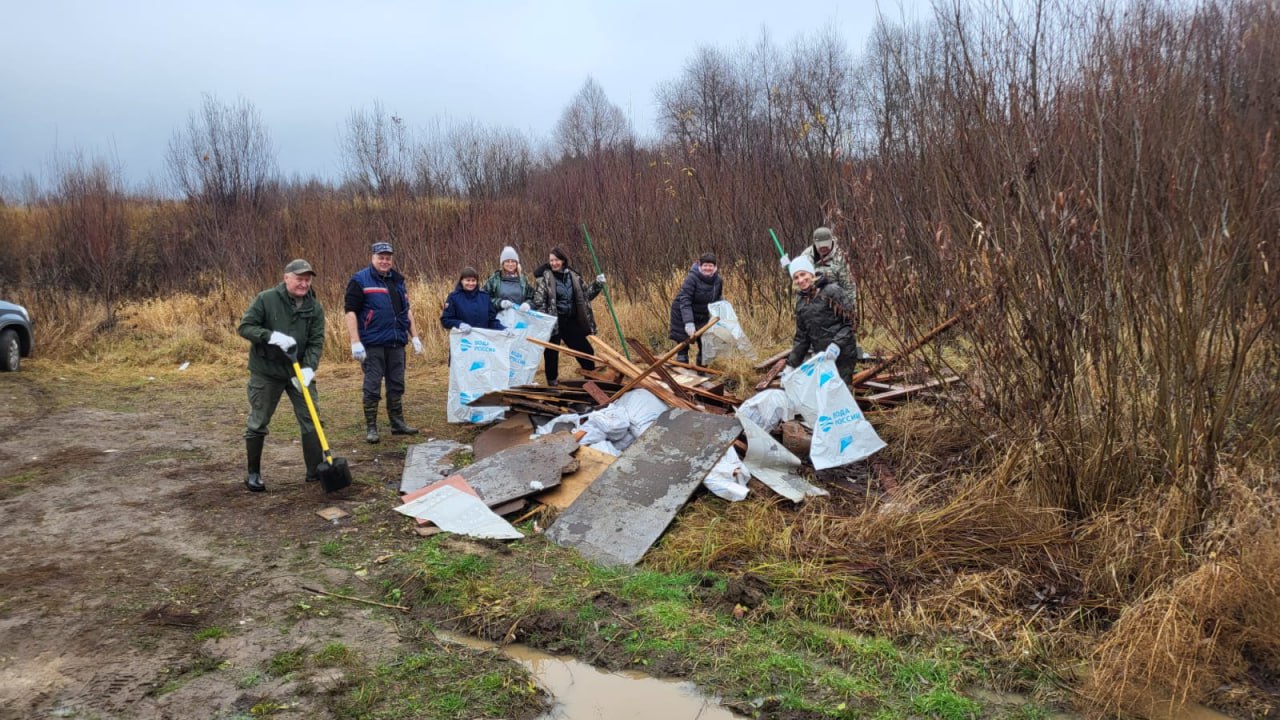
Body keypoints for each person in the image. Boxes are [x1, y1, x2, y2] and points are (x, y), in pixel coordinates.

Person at [237, 258, 326, 493]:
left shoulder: (314, 307)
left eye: (307, 280)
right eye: (299, 279)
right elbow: (245, 327)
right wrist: (271, 337)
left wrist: (309, 368)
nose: (304, 284)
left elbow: (316, 341)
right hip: (266, 371)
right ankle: (253, 473)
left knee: (312, 418)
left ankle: (315, 471)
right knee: (259, 421)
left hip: (298, 371)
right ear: (286, 278)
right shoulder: (266, 299)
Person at [344, 241, 423, 444]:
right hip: (372, 343)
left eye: (388, 257)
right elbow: (350, 312)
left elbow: (407, 311)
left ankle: (397, 423)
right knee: (372, 385)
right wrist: (355, 341)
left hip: (396, 341)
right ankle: (371, 427)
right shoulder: (360, 280)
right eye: (381, 257)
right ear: (373, 258)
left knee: (396, 383)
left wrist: (414, 336)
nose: (385, 261)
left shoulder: (398, 281)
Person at [531, 247, 604, 386]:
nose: (554, 263)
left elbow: (586, 296)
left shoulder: (574, 277)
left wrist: (598, 284)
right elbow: (539, 301)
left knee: (586, 350)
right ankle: (552, 383)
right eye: (551, 260)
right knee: (551, 354)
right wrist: (545, 318)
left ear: (563, 260)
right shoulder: (545, 278)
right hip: (553, 322)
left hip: (571, 321)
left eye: (556, 260)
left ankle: (590, 379)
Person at [782, 255, 860, 382]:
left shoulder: (831, 291)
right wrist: (791, 365)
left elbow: (851, 322)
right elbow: (802, 338)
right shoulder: (801, 303)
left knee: (839, 392)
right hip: (822, 357)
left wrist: (836, 345)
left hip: (843, 355)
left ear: (811, 273)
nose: (801, 280)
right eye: (796, 277)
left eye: (803, 274)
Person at [667, 252, 723, 365]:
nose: (708, 268)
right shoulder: (692, 278)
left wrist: (721, 310)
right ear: (700, 266)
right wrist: (688, 322)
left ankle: (701, 372)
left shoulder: (718, 281)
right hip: (682, 313)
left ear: (715, 267)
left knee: (705, 344)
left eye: (710, 265)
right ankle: (683, 371)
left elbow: (717, 298)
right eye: (705, 265)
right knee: (682, 344)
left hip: (702, 315)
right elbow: (685, 300)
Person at [780, 226, 854, 298]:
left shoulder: (840, 257)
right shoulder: (806, 255)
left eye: (826, 244)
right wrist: (787, 268)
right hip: (809, 298)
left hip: (833, 300)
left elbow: (849, 286)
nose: (823, 248)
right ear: (815, 243)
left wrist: (849, 306)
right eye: (820, 245)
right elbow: (797, 277)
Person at [440, 266, 506, 334]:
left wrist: (503, 329)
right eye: (468, 280)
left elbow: (492, 320)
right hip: (463, 340)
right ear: (461, 281)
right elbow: (445, 320)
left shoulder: (485, 297)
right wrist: (459, 324)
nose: (471, 283)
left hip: (483, 340)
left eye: (473, 280)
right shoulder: (453, 297)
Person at [483, 245, 533, 314]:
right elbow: (483, 298)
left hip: (521, 319)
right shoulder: (494, 279)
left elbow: (533, 297)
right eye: (507, 261)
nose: (510, 264)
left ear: (517, 263)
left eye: (513, 261)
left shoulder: (523, 280)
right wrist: (500, 303)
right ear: (502, 264)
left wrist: (528, 304)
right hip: (499, 319)